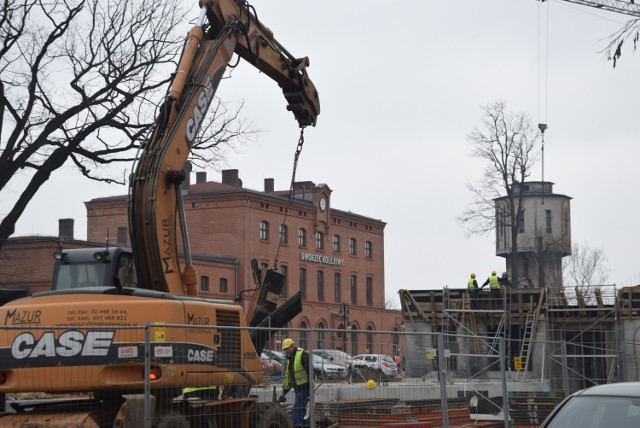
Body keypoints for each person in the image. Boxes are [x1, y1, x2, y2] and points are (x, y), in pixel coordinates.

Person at [279, 338, 311, 426]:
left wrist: (311, 388)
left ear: (292, 347)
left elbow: (310, 372)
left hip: (305, 387)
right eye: (284, 349)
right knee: (302, 409)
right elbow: (288, 378)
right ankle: (307, 425)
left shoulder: (302, 354)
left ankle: (296, 425)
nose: (286, 351)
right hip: (298, 388)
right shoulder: (291, 359)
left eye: (287, 349)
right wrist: (284, 392)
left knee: (298, 408)